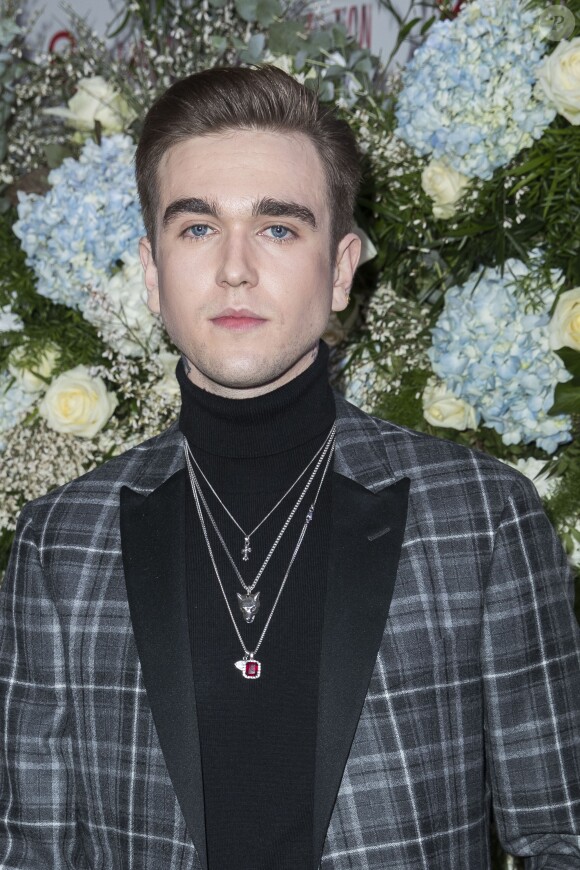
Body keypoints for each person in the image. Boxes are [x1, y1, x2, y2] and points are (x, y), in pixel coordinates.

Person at [0, 64, 579, 870]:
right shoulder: (60, 543)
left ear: (340, 269)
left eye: (279, 228)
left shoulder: (484, 519)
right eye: (197, 228)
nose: (235, 268)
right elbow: (30, 852)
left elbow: (561, 835)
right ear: (150, 269)